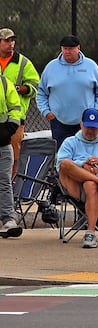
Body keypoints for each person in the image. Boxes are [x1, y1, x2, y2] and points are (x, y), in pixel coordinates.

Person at [56, 107, 98, 249]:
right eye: (87, 127)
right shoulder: (70, 142)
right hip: (74, 187)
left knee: (90, 184)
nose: (90, 131)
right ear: (81, 124)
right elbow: (60, 165)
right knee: (65, 163)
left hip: (97, 191)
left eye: (94, 128)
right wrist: (83, 165)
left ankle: (90, 233)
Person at [37, 35, 98, 146]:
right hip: (59, 123)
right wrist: (46, 112)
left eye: (70, 49)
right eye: (65, 48)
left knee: (86, 156)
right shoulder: (51, 68)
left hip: (86, 122)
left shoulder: (91, 66)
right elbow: (41, 93)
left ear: (78, 48)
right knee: (63, 158)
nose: (67, 52)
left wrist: (95, 111)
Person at [0, 26, 41, 181]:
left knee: (14, 154)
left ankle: (11, 186)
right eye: (7, 41)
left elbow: (35, 87)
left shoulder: (23, 63)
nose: (11, 44)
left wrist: (20, 88)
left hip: (15, 119)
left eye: (12, 40)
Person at [0, 69, 22, 237]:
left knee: (4, 182)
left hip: (3, 143)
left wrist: (9, 130)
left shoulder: (4, 82)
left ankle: (9, 220)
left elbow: (15, 108)